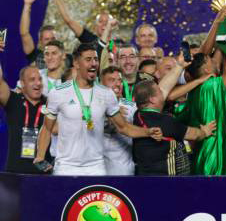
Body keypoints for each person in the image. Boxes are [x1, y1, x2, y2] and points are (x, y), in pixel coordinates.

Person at [33, 43, 162, 175]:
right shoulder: (58, 93)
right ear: (76, 63)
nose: (94, 63)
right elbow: (47, 128)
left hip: (96, 168)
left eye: (96, 59)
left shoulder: (106, 94)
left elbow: (123, 127)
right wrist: (40, 156)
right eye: (88, 59)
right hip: (66, 167)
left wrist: (147, 132)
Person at [180, 24, 226, 175]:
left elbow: (217, 57)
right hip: (214, 157)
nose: (215, 61)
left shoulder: (196, 88)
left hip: (206, 153)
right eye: (210, 60)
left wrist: (222, 33)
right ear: (206, 69)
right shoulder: (210, 85)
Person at [132, 79, 216, 175]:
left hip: (144, 176)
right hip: (166, 178)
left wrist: (197, 81)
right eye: (159, 91)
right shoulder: (165, 121)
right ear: (152, 99)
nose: (163, 93)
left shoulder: (137, 115)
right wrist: (205, 131)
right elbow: (193, 134)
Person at [0, 63, 52, 174]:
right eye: (32, 79)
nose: (38, 83)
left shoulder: (50, 104)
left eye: (40, 79)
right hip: (15, 173)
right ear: (23, 83)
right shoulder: (13, 100)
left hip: (43, 173)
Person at [51, 0, 116, 56]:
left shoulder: (116, 43)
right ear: (95, 27)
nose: (104, 24)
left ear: (112, 26)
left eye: (107, 22)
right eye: (100, 21)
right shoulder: (90, 39)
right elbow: (69, 21)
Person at [100, 66, 137, 175]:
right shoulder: (93, 107)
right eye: (112, 80)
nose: (117, 84)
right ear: (101, 84)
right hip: (97, 169)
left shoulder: (131, 107)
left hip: (122, 170)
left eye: (120, 80)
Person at [19, 0, 57, 69]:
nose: (50, 42)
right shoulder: (36, 56)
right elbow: (24, 33)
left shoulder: (66, 59)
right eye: (47, 39)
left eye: (53, 38)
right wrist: (27, 5)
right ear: (41, 41)